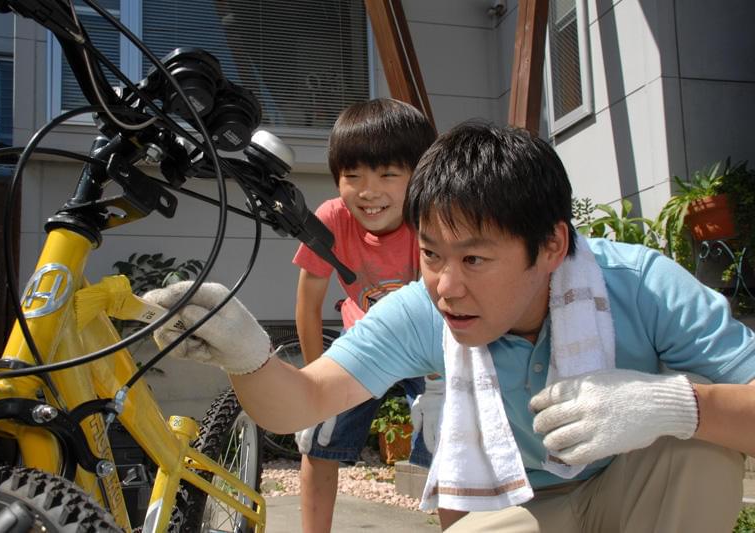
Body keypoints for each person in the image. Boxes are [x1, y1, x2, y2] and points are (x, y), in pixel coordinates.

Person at [144, 121, 755, 533]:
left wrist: (677, 404)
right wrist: (246, 354)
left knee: (699, 446)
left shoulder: (641, 284)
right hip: (518, 508)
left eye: (475, 259)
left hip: (627, 489)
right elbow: (303, 401)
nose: (445, 285)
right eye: (432, 254)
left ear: (550, 246)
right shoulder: (420, 310)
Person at [291, 98, 436, 532]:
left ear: (419, 174)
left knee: (453, 437)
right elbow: (308, 302)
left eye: (389, 175)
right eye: (352, 177)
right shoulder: (332, 219)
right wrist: (314, 379)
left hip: (430, 346)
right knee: (317, 440)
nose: (369, 192)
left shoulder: (431, 216)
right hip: (366, 340)